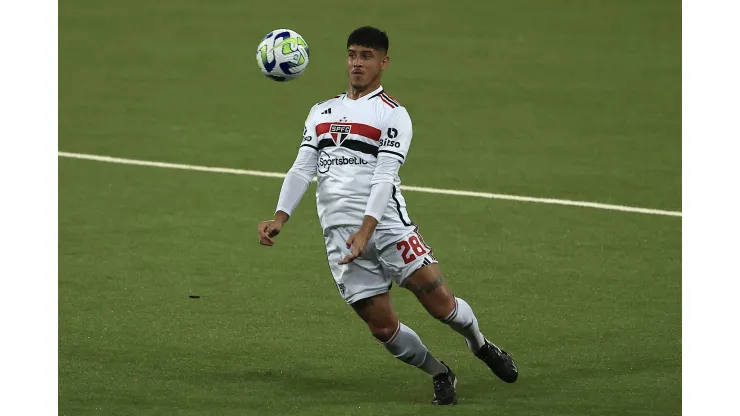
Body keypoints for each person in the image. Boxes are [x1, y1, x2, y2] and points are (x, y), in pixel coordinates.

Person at [257, 26, 518, 405]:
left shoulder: (393, 115)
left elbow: (384, 176)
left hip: (388, 228)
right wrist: (280, 217)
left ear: (384, 62)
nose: (356, 63)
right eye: (351, 55)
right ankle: (440, 372)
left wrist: (367, 230)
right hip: (340, 238)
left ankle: (480, 344)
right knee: (381, 327)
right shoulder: (321, 112)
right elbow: (301, 169)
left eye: (366, 55)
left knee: (441, 305)